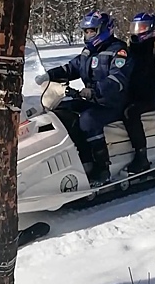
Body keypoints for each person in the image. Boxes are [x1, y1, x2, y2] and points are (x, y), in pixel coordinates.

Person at [35, 10, 134, 187]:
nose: (88, 35)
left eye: (92, 31)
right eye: (86, 31)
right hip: (91, 99)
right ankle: (81, 157)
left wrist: (95, 90)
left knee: (88, 120)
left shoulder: (119, 51)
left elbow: (117, 80)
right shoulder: (88, 51)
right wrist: (49, 75)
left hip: (112, 103)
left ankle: (102, 168)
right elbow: (72, 68)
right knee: (61, 111)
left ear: (103, 29)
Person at [123, 12, 155, 173]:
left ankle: (141, 155)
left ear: (151, 29)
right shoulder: (130, 48)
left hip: (148, 96)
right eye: (136, 27)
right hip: (130, 92)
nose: (137, 31)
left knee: (130, 113)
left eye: (142, 27)